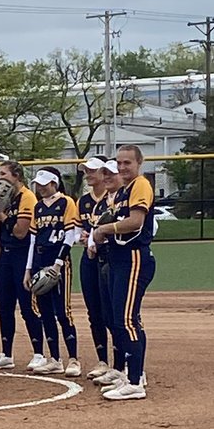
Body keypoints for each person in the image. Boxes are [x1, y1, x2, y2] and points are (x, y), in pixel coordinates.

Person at [91, 144, 156, 401]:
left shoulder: (140, 185)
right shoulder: (121, 193)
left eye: (127, 162)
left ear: (138, 163)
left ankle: (134, 381)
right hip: (119, 259)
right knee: (124, 318)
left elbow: (136, 221)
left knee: (126, 320)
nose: (121, 167)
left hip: (133, 257)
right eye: (119, 162)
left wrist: (104, 230)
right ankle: (134, 375)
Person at [0, 160, 46, 372]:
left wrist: (1, 214)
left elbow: (21, 231)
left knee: (28, 307)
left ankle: (39, 353)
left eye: (4, 174)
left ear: (16, 175)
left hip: (23, 256)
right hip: (6, 257)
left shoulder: (26, 197)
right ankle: (6, 353)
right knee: (4, 307)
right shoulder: (5, 198)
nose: (0, 178)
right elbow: (1, 235)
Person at [23, 168, 81, 377]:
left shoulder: (66, 202)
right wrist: (28, 269)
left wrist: (58, 263)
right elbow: (32, 240)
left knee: (63, 312)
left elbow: (70, 235)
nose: (39, 187)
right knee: (45, 311)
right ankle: (55, 359)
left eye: (43, 183)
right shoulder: (38, 207)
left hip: (59, 262)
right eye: (37, 184)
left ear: (54, 184)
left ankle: (73, 359)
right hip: (40, 260)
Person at [74, 158, 115, 382]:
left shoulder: (112, 198)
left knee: (113, 312)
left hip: (109, 256)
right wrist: (82, 237)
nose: (88, 175)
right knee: (94, 311)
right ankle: (103, 360)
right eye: (86, 171)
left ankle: (123, 360)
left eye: (92, 171)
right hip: (89, 257)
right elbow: (80, 229)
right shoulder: (84, 201)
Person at [89, 160, 129, 389]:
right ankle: (118, 366)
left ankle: (132, 369)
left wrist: (106, 230)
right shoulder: (104, 203)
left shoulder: (127, 197)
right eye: (104, 175)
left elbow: (146, 227)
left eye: (111, 174)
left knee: (123, 317)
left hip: (122, 260)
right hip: (103, 260)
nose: (107, 178)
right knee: (108, 316)